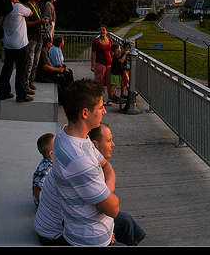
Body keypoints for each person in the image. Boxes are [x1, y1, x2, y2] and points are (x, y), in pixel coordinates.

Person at [46, 80, 143, 246]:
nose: (104, 111)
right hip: (90, 240)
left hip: (83, 228)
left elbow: (106, 165)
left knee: (127, 221)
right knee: (124, 218)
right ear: (85, 113)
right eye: (100, 107)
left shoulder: (67, 135)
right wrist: (107, 192)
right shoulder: (80, 160)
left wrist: (104, 191)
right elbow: (113, 208)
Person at [0, 0, 35, 102]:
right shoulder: (18, 7)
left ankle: (4, 92)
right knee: (21, 71)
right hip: (20, 45)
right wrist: (19, 2)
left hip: (8, 45)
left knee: (7, 69)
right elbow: (30, 12)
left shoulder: (4, 9)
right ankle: (21, 95)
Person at [24, 0, 49, 94]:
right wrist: (39, 21)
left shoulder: (37, 7)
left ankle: (31, 81)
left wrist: (42, 23)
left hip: (39, 37)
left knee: (36, 62)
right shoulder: (27, 7)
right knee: (29, 62)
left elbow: (38, 20)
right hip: (31, 38)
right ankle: (25, 85)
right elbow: (25, 23)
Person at [92, 27, 115, 103]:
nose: (102, 31)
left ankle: (110, 98)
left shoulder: (110, 40)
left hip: (109, 64)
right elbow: (93, 53)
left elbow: (112, 52)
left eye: (103, 30)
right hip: (100, 64)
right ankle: (101, 100)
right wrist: (92, 65)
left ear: (107, 32)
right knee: (99, 82)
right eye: (100, 30)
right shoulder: (96, 41)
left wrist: (115, 61)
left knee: (110, 81)